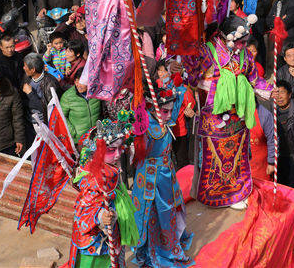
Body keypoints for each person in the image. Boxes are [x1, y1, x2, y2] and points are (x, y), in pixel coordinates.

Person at [183, 13, 277, 209]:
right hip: (214, 116)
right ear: (227, 37)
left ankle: (236, 193)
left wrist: (269, 90)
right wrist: (217, 84)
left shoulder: (245, 55)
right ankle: (216, 197)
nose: (243, 46)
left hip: (238, 116)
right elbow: (191, 78)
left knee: (237, 157)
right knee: (215, 160)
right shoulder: (207, 52)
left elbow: (254, 80)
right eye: (240, 42)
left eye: (245, 42)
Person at [65, 115, 139, 268]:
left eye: (120, 148)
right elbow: (81, 210)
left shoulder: (111, 169)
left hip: (112, 230)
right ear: (98, 151)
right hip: (95, 240)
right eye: (112, 150)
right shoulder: (93, 179)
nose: (118, 154)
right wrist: (99, 217)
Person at [132, 85, 194, 266]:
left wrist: (172, 80)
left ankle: (170, 242)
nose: (169, 114)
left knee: (170, 211)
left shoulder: (165, 119)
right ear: (153, 108)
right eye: (164, 111)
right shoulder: (146, 127)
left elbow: (181, 92)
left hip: (167, 175)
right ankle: (154, 249)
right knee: (152, 214)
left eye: (169, 110)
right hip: (151, 178)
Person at [242, 0, 272, 66]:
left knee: (258, 41)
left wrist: (260, 15)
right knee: (248, 40)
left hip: (257, 17)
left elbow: (267, 2)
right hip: (247, 15)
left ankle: (261, 66)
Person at [59, 68, 101, 146]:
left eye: (82, 82)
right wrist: (73, 132)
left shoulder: (97, 92)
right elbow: (61, 116)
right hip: (79, 141)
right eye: (76, 81)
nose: (78, 85)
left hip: (96, 138)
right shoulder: (68, 96)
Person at [22, 52, 60, 128]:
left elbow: (48, 109)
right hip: (30, 119)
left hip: (43, 123)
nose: (24, 68)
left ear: (33, 70)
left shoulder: (50, 83)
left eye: (25, 66)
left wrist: (30, 94)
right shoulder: (27, 78)